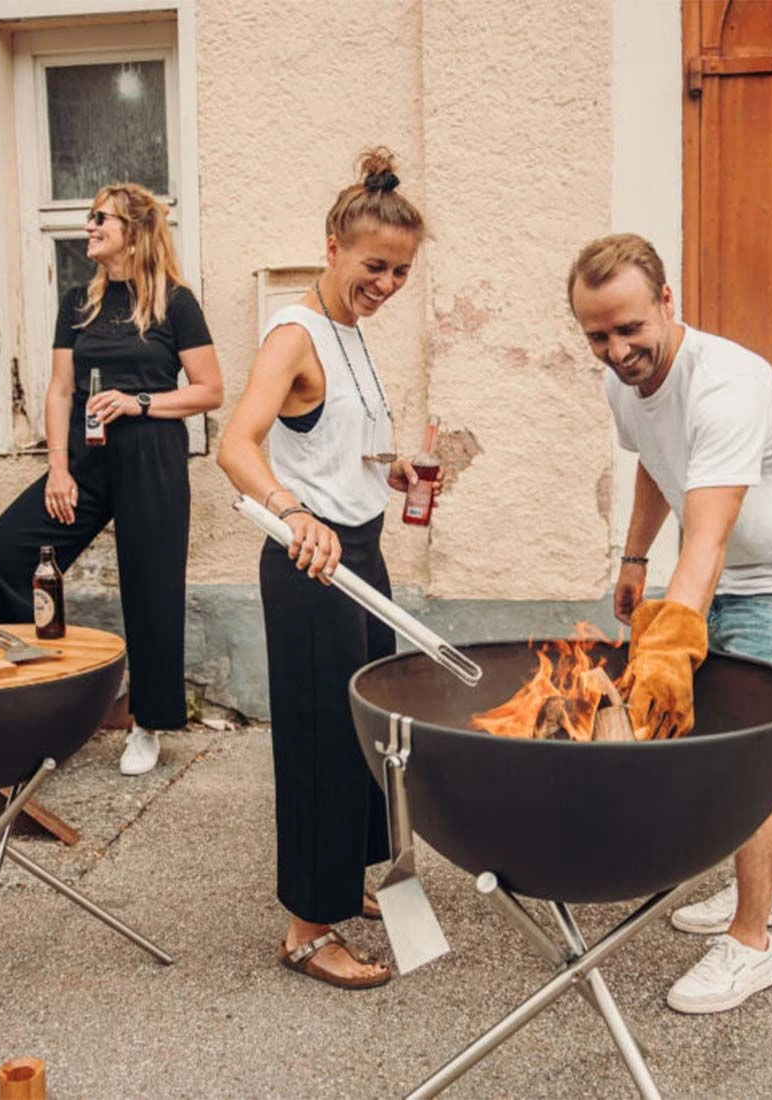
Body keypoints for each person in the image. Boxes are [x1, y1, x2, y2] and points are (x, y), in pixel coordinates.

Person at [567, 232, 772, 1014]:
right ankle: (768, 890)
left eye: (630, 328)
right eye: (597, 335)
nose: (618, 350)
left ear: (667, 303)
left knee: (746, 764)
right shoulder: (625, 385)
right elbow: (659, 464)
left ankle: (752, 944)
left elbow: (712, 534)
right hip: (720, 577)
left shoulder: (727, 383)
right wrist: (632, 561)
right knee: (727, 746)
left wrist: (662, 653)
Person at [217, 148, 440, 990]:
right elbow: (237, 446)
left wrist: (399, 471)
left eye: (402, 271)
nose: (387, 283)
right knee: (319, 742)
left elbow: (334, 445)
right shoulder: (294, 330)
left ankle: (346, 878)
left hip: (365, 549)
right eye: (376, 266)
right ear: (333, 248)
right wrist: (293, 514)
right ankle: (308, 930)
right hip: (311, 564)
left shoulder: (350, 331)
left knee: (371, 734)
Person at [0, 182, 222, 775]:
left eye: (99, 218)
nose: (88, 226)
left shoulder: (174, 303)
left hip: (152, 453)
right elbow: (60, 390)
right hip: (87, 455)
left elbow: (209, 390)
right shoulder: (79, 302)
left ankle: (148, 724)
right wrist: (57, 467)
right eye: (88, 218)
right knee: (2, 553)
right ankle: (32, 690)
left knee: (151, 588)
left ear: (133, 231)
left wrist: (140, 402)